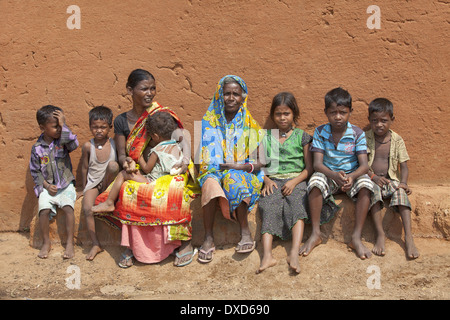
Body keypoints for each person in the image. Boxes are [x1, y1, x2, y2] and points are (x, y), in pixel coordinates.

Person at [94, 69, 200, 268]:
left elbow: (183, 137)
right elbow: (122, 152)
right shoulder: (121, 121)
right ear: (130, 90)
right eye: (144, 89)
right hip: (141, 170)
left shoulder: (161, 115)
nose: (149, 93)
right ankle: (132, 246)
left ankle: (184, 243)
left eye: (153, 88)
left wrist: (185, 159)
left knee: (174, 192)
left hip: (168, 170)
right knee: (127, 190)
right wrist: (127, 162)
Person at [197, 75, 265, 263]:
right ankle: (208, 238)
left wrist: (238, 166)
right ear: (220, 95)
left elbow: (262, 161)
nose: (231, 97)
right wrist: (213, 169)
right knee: (210, 183)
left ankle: (245, 232)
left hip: (241, 172)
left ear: (243, 96)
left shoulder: (250, 124)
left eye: (236, 93)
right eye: (227, 93)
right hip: (212, 170)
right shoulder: (208, 121)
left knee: (233, 178)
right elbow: (203, 155)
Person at [302, 87, 374, 259]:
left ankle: (356, 237)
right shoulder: (320, 132)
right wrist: (334, 175)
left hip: (351, 175)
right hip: (329, 174)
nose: (338, 116)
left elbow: (364, 165)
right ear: (325, 112)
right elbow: (318, 164)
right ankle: (316, 233)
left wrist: (352, 176)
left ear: (350, 112)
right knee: (315, 184)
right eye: (333, 112)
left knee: (366, 185)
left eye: (343, 112)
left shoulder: (357, 133)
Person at [256, 92, 313, 274]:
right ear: (273, 115)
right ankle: (267, 256)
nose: (282, 118)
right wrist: (266, 180)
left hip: (296, 180)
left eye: (286, 114)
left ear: (294, 114)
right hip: (273, 180)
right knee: (268, 205)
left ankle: (294, 252)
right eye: (278, 114)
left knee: (296, 205)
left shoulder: (302, 137)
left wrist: (294, 182)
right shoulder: (265, 137)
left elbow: (309, 168)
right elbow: (258, 165)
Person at [93, 111, 183, 212]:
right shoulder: (178, 147)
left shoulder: (157, 151)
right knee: (135, 172)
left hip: (154, 182)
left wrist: (139, 157)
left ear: (156, 136)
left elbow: (147, 169)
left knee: (123, 174)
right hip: (169, 180)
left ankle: (109, 203)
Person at [366, 98, 419, 259]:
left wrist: (403, 183)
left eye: (384, 121)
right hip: (372, 179)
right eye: (374, 121)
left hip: (390, 180)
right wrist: (373, 177)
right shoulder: (365, 137)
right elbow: (359, 163)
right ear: (369, 120)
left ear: (392, 120)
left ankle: (409, 237)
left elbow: (404, 166)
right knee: (372, 192)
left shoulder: (397, 140)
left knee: (400, 193)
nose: (379, 125)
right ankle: (380, 234)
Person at [29, 105, 79, 259]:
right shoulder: (37, 148)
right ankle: (46, 242)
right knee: (43, 210)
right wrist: (45, 186)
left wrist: (64, 126)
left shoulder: (62, 142)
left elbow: (74, 144)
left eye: (60, 126)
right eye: (55, 126)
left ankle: (70, 243)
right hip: (48, 187)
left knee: (69, 208)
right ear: (42, 127)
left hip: (64, 185)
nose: (58, 129)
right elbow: (35, 171)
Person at [80, 106, 118, 260]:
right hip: (94, 183)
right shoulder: (88, 146)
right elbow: (84, 167)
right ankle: (96, 243)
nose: (99, 131)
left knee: (113, 166)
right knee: (87, 208)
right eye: (95, 127)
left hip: (110, 182)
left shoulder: (115, 143)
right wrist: (84, 188)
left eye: (103, 127)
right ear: (90, 127)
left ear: (110, 127)